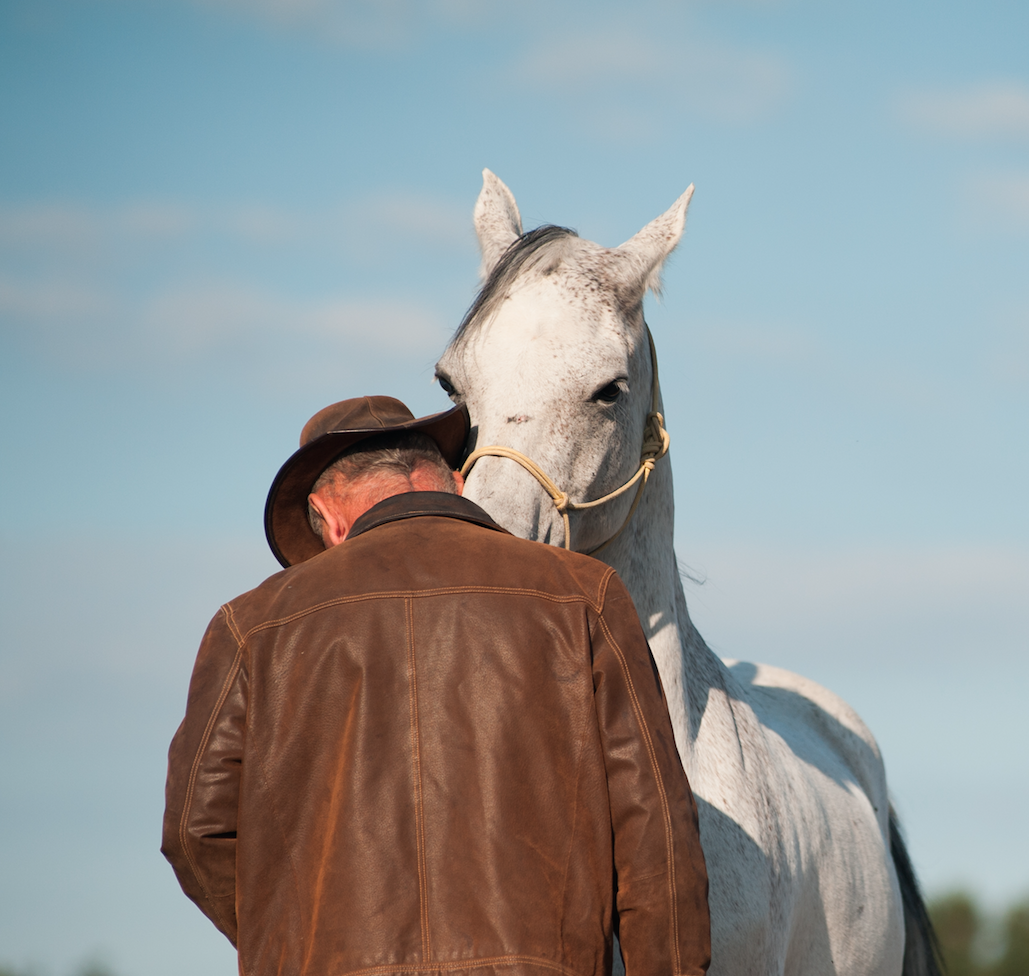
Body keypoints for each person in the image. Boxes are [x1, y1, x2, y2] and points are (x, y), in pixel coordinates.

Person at [162, 395, 710, 976]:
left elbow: (197, 835)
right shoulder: (583, 594)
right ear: (454, 483)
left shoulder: (250, 626)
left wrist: (304, 946)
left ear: (329, 517)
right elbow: (656, 833)